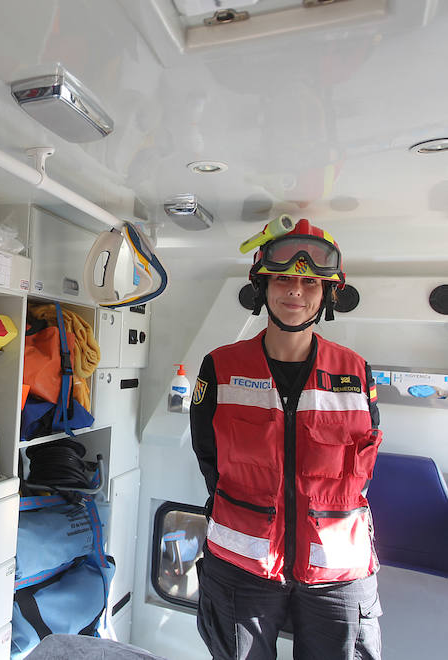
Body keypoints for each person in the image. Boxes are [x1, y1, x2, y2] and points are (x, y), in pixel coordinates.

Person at [189, 217, 383, 660]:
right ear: (262, 288)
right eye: (282, 279)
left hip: (338, 570)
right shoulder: (219, 366)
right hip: (242, 566)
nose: (295, 291)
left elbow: (364, 465)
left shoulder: (356, 371)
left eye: (310, 283)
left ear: (327, 294)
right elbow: (208, 458)